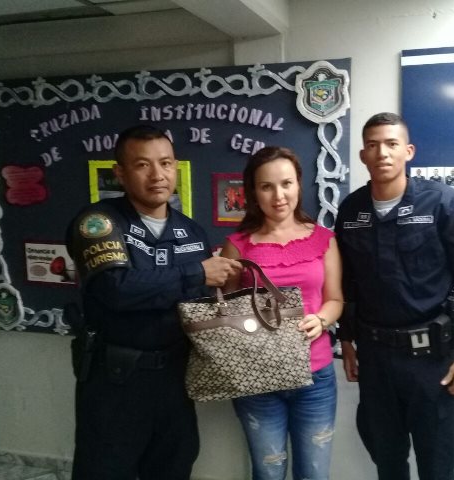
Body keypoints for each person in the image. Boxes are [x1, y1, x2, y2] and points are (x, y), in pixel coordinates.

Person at [66, 125, 241, 480]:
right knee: (104, 470)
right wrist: (196, 273)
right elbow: (116, 288)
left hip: (176, 378)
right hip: (117, 380)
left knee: (173, 467)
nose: (158, 175)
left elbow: (198, 305)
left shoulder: (192, 232)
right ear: (120, 173)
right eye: (142, 165)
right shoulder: (99, 223)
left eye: (165, 163)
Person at [335, 113, 454, 480]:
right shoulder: (351, 210)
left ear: (408, 151)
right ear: (362, 155)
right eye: (373, 145)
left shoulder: (443, 204)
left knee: (438, 465)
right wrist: (347, 340)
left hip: (430, 362)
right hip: (375, 360)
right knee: (387, 462)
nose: (382, 153)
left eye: (392, 144)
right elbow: (348, 282)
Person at [220, 146, 343, 480]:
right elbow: (226, 312)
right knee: (268, 472)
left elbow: (335, 299)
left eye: (286, 183)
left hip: (315, 376)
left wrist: (321, 319)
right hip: (256, 378)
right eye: (267, 186)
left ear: (299, 184)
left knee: (314, 474)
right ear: (253, 192)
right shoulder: (237, 245)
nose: (279, 196)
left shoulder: (324, 240)